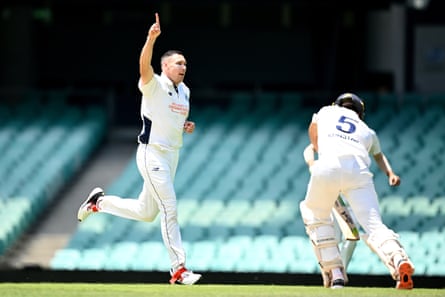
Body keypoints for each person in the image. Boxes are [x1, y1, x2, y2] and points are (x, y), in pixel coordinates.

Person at [77, 13, 201, 285]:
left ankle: (99, 203)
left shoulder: (185, 92)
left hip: (172, 155)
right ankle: (178, 269)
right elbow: (143, 65)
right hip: (151, 153)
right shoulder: (154, 84)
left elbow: (169, 118)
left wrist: (184, 126)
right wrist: (150, 39)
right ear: (165, 66)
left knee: (147, 212)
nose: (183, 67)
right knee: (170, 206)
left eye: (185, 63)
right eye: (178, 63)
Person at [299, 93, 415, 289]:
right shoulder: (367, 131)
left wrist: (320, 148)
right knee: (375, 226)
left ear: (337, 104)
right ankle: (399, 261)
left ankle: (335, 273)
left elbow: (312, 130)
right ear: (360, 113)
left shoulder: (327, 111)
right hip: (359, 173)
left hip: (328, 167)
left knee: (315, 216)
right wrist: (390, 174)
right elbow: (376, 155)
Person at [303, 143, 358, 286]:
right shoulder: (325, 137)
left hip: (349, 196)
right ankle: (336, 274)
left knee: (352, 237)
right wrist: (311, 163)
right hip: (329, 197)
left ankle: (340, 271)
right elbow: (309, 150)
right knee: (332, 238)